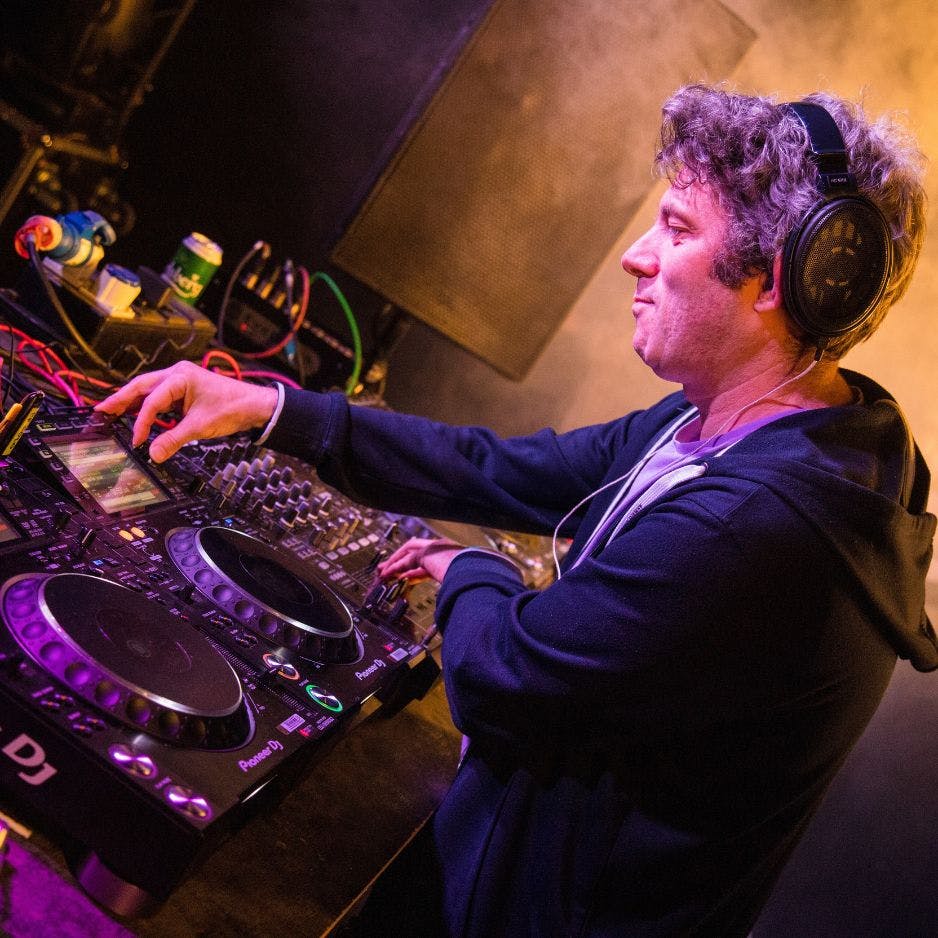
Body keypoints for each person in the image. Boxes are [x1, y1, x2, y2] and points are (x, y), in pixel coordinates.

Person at [96, 84, 936, 936]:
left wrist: (467, 567)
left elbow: (504, 673)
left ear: (783, 279)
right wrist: (278, 411)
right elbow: (504, 471)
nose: (636, 257)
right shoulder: (754, 425)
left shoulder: (761, 526)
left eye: (677, 228)